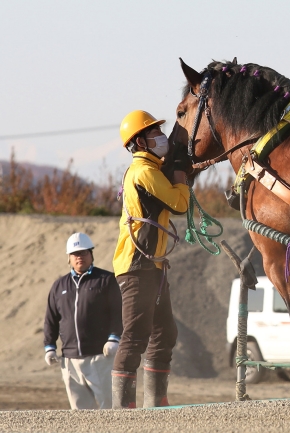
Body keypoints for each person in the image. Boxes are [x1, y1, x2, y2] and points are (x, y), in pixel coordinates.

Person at [112, 110, 192, 409]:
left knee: (164, 333)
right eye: (154, 133)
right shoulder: (144, 172)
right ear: (139, 142)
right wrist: (181, 175)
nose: (161, 137)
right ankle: (123, 411)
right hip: (137, 265)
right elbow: (180, 204)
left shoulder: (151, 169)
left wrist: (174, 172)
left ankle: (155, 404)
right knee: (135, 336)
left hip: (152, 264)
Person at [43, 232, 122, 410]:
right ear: (69, 258)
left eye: (84, 253)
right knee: (80, 414)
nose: (80, 257)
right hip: (70, 361)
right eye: (75, 254)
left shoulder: (106, 280)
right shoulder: (59, 286)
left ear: (91, 255)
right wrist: (49, 346)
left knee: (109, 409)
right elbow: (51, 318)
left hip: (100, 358)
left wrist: (114, 338)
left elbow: (118, 312)